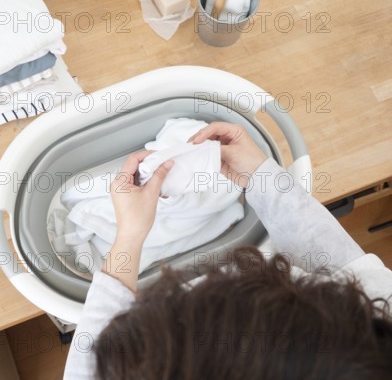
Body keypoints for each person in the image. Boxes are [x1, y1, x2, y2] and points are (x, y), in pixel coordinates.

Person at [63, 122, 392, 379]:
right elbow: (344, 263)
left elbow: (91, 362)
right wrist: (259, 176)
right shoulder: (376, 328)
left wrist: (129, 236)